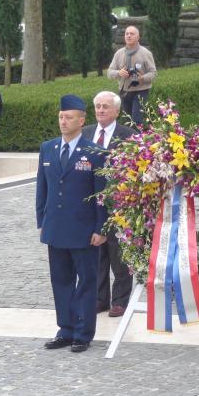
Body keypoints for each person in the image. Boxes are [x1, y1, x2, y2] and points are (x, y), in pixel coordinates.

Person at [36, 94, 108, 353]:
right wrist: (41, 220)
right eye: (61, 117)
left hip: (84, 229)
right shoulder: (48, 148)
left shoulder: (95, 152)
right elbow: (42, 188)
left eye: (68, 117)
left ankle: (83, 332)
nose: (63, 121)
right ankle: (65, 329)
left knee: (87, 281)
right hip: (56, 226)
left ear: (81, 120)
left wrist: (102, 228)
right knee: (61, 281)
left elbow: (102, 193)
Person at [82, 91, 137, 317]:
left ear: (116, 111)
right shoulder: (84, 134)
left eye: (105, 106)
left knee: (118, 253)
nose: (101, 110)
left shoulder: (129, 135)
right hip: (91, 203)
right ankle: (98, 298)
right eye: (97, 106)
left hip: (118, 203)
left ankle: (121, 301)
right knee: (96, 253)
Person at [107, 25, 156, 125]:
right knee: (128, 121)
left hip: (141, 91)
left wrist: (143, 78)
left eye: (132, 34)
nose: (129, 36)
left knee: (136, 120)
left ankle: (138, 139)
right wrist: (119, 73)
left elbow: (153, 73)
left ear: (138, 37)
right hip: (124, 91)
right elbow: (109, 72)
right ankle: (134, 139)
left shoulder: (146, 53)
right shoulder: (119, 54)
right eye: (127, 34)